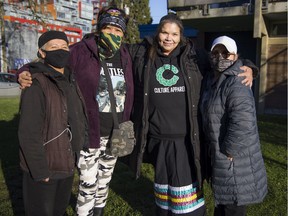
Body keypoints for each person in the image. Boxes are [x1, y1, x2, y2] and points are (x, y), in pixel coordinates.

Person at [126, 14, 257, 216]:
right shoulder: (142, 53)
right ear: (157, 33)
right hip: (158, 140)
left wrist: (250, 67)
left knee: (187, 201)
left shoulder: (194, 55)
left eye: (174, 33)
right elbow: (115, 53)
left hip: (187, 141)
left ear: (181, 36)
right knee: (165, 195)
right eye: (164, 32)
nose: (168, 38)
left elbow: (225, 59)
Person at [17, 6, 134, 216]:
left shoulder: (125, 54)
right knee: (89, 185)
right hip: (90, 131)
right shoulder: (81, 51)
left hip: (116, 132)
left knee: (104, 181)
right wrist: (24, 71)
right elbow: (50, 63)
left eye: (118, 31)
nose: (114, 35)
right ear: (99, 30)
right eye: (108, 29)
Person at [18, 30, 88, 216]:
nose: (60, 51)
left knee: (58, 210)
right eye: (54, 47)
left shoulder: (70, 79)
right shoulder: (36, 83)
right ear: (42, 52)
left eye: (64, 47)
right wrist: (40, 171)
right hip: (45, 168)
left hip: (65, 163)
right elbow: (28, 132)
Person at [200, 35, 267, 216]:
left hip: (232, 159)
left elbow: (243, 123)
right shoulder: (211, 78)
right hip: (218, 155)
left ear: (235, 56)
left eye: (226, 53)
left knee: (233, 207)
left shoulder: (237, 81)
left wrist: (229, 151)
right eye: (216, 52)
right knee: (223, 203)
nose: (220, 57)